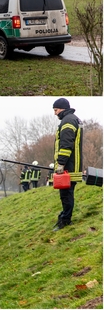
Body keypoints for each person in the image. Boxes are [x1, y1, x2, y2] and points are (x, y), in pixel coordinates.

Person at [52, 98, 83, 231]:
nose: (55, 113)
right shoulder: (73, 119)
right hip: (72, 165)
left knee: (66, 195)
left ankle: (65, 220)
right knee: (67, 194)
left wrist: (60, 164)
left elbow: (66, 144)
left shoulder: (68, 121)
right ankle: (64, 216)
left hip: (68, 167)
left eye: (56, 110)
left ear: (62, 109)